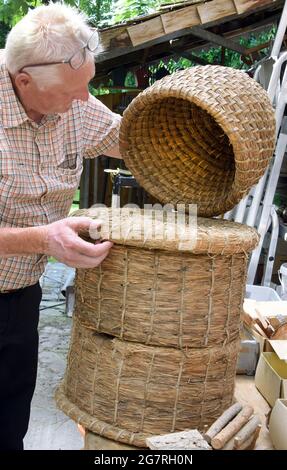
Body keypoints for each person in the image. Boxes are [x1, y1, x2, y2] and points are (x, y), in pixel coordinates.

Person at [0, 3, 122, 450]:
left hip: (19, 298)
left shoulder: (75, 102)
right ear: (24, 80)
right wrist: (42, 238)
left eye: (87, 85)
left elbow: (138, 140)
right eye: (74, 92)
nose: (84, 101)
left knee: (10, 425)